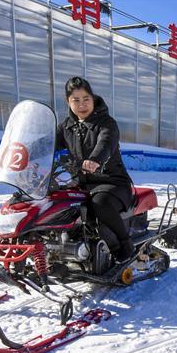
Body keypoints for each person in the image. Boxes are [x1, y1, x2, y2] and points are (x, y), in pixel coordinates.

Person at [55, 76, 134, 262]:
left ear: (93, 98)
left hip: (111, 182)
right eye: (76, 100)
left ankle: (123, 244)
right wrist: (26, 152)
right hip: (82, 182)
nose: (82, 104)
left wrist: (94, 160)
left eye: (86, 99)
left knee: (99, 204)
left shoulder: (107, 123)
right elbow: (48, 144)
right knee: (54, 203)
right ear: (68, 101)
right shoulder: (67, 127)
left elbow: (105, 144)